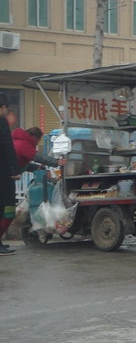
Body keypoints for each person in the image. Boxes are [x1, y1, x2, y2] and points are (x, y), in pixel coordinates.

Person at [0, 127, 68, 248]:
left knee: (5, 212)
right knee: (8, 212)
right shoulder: (23, 144)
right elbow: (38, 157)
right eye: (38, 140)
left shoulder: (17, 142)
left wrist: (36, 168)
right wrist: (56, 162)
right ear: (35, 138)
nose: (37, 143)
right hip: (5, 182)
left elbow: (22, 163)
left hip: (6, 180)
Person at [0, 92, 21, 255]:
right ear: (3, 107)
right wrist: (14, 169)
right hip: (3, 174)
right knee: (4, 207)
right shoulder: (1, 122)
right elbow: (7, 146)